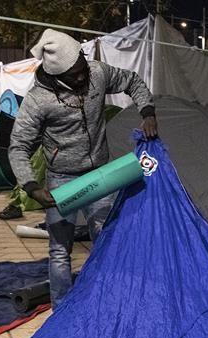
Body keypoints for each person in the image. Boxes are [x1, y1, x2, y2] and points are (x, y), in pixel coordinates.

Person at [8, 29, 158, 306]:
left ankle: (107, 301)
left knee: (107, 240)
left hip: (99, 175)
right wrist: (31, 186)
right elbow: (17, 147)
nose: (81, 77)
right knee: (59, 250)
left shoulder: (96, 72)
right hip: (61, 180)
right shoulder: (38, 100)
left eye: (81, 69)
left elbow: (133, 81)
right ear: (56, 75)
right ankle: (62, 308)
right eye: (73, 75)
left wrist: (147, 111)